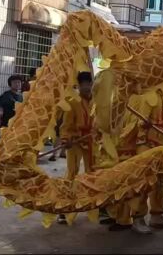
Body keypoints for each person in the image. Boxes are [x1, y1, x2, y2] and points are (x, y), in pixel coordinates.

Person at [129, 88, 163, 234]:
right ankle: (138, 218)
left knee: (161, 181)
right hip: (147, 144)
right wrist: (145, 123)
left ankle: (157, 216)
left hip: (162, 143)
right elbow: (138, 121)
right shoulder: (145, 95)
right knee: (144, 181)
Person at [57, 72, 97, 224]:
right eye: (84, 84)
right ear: (79, 85)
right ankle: (64, 208)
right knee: (72, 172)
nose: (88, 87)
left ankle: (93, 205)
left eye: (90, 83)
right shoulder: (72, 101)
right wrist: (66, 139)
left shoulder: (96, 100)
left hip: (91, 141)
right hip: (75, 141)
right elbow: (66, 125)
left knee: (93, 172)